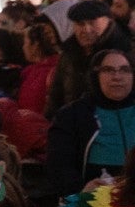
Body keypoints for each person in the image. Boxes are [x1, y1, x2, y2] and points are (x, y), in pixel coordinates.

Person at [48, 45, 135, 196]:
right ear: (95, 76)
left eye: (124, 70)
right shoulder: (72, 115)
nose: (117, 77)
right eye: (108, 70)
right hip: (94, 201)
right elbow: (58, 166)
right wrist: (81, 189)